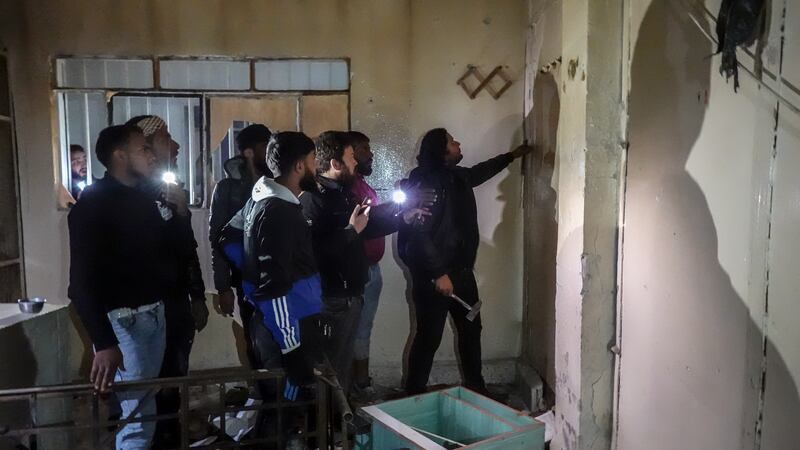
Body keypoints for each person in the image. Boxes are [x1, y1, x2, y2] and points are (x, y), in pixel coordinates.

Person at [68, 124, 189, 450]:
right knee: (137, 420)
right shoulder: (92, 205)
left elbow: (169, 253)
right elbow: (80, 283)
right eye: (143, 149)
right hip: (123, 323)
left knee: (143, 412)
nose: (151, 154)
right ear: (120, 156)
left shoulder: (145, 198)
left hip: (154, 317)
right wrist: (104, 342)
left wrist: (179, 215)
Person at [398, 128, 532, 396]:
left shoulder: (457, 177)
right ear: (441, 150)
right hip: (434, 278)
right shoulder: (424, 183)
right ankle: (412, 396)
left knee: (471, 330)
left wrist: (512, 156)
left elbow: (481, 171)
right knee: (428, 337)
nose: (458, 143)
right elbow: (418, 234)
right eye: (452, 141)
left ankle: (476, 389)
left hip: (462, 274)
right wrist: (438, 274)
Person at [299, 131, 429, 394]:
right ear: (335, 164)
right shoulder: (313, 199)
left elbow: (368, 224)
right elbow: (313, 253)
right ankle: (328, 425)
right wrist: (350, 231)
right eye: (350, 157)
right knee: (329, 370)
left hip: (350, 293)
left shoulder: (344, 193)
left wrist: (403, 218)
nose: (356, 162)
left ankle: (340, 418)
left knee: (342, 367)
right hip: (330, 298)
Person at [217, 131, 324, 401]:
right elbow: (274, 288)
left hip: (276, 320)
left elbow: (227, 237)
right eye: (313, 160)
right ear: (299, 165)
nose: (316, 167)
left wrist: (252, 272)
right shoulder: (279, 211)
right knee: (286, 408)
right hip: (288, 328)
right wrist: (292, 349)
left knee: (285, 408)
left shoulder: (260, 197)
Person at [125, 115, 209, 449]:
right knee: (144, 394)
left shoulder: (170, 192)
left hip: (175, 308)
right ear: (143, 148)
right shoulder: (129, 196)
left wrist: (197, 295)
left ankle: (171, 437)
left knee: (173, 384)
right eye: (165, 139)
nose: (175, 146)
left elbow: (186, 250)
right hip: (142, 312)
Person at [209, 124, 276, 367]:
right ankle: (262, 394)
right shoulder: (228, 189)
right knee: (255, 339)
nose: (269, 153)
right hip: (246, 279)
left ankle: (282, 398)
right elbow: (218, 237)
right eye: (264, 147)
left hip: (279, 276)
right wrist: (223, 287)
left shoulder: (278, 183)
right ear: (248, 152)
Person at [346, 131, 384, 399]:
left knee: (363, 330)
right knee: (351, 331)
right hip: (355, 271)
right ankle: (354, 389)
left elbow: (374, 223)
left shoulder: (362, 185)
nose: (370, 154)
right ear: (349, 153)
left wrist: (400, 214)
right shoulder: (346, 188)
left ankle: (361, 385)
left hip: (371, 269)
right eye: (363, 149)